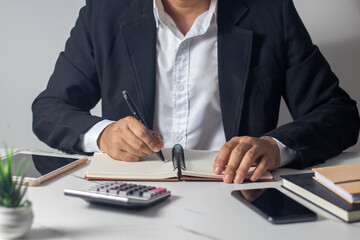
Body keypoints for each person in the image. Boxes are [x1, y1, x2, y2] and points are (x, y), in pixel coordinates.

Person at [32, 0, 360, 184]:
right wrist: (103, 135)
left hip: (236, 192)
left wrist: (275, 147)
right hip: (131, 191)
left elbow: (339, 113)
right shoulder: (103, 13)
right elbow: (49, 108)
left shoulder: (271, 12)